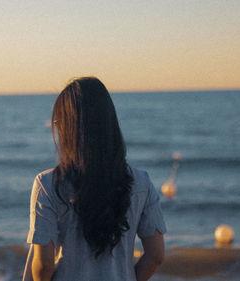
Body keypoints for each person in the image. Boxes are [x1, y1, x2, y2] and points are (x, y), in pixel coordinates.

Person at [25, 77, 166, 281]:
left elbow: (44, 265)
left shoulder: (48, 184)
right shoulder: (141, 182)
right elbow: (156, 255)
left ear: (69, 127)